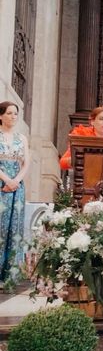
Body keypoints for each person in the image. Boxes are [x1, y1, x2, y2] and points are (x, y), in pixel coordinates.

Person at [0, 101, 29, 284]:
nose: (13, 116)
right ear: (1, 115)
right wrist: (6, 180)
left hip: (17, 187)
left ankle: (10, 274)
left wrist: (16, 180)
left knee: (14, 227)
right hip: (2, 182)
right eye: (9, 113)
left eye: (15, 114)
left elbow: (26, 163)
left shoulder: (22, 138)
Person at [59, 106, 103, 170]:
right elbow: (63, 163)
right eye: (101, 119)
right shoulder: (82, 133)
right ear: (92, 121)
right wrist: (81, 158)